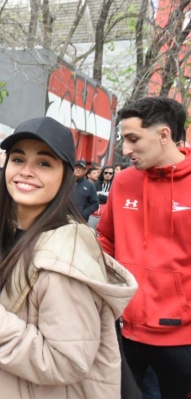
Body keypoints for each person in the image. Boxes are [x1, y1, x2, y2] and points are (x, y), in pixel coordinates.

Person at [0, 116, 137, 398]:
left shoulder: (64, 254)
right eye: (19, 159)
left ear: (66, 175)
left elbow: (67, 360)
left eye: (44, 163)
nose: (26, 171)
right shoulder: (10, 229)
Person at [97, 96, 191, 398]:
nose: (125, 150)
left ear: (164, 135)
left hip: (182, 340)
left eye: (133, 139)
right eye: (123, 140)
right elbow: (106, 241)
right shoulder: (123, 182)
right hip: (124, 331)